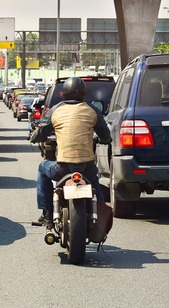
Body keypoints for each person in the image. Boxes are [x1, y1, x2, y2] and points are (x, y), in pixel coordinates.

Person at [30, 77, 112, 228]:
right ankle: (101, 213)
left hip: (63, 168)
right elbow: (106, 136)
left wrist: (33, 137)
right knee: (96, 184)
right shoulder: (92, 110)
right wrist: (104, 140)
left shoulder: (55, 110)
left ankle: (47, 213)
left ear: (63, 93)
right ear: (84, 94)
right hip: (87, 168)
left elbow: (41, 133)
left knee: (42, 168)